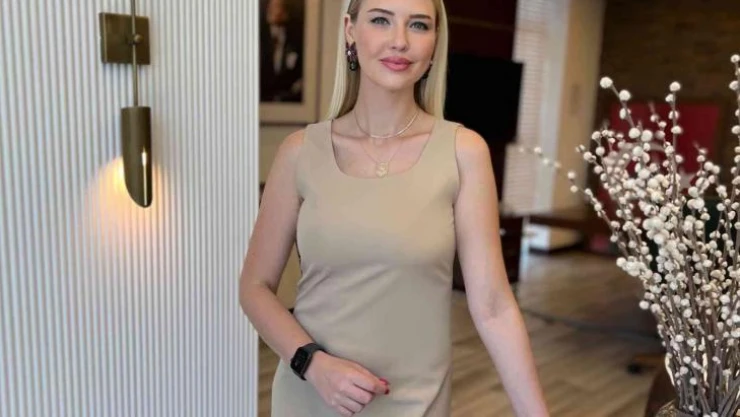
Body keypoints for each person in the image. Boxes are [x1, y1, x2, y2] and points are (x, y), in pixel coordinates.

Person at [239, 0, 550, 415]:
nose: (399, 41)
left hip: (417, 402)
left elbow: (493, 307)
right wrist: (311, 364)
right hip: (311, 398)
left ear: (435, 42)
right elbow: (255, 287)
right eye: (381, 20)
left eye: (418, 25)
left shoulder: (464, 152)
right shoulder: (299, 152)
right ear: (350, 30)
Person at [260, 0, 304, 102]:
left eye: (278, 6)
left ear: (286, 12)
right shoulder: (259, 38)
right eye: (271, 7)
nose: (272, 10)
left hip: (288, 97)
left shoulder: (296, 39)